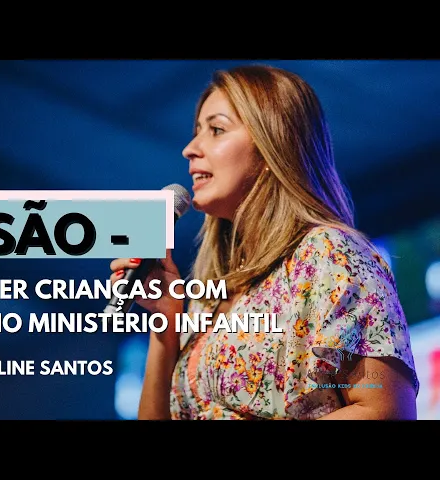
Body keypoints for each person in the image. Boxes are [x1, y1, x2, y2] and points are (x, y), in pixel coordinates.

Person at [109, 64, 419, 420]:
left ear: (271, 144)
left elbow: (386, 410)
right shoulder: (206, 300)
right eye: (196, 132)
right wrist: (165, 325)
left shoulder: (329, 254)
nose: (189, 149)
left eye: (216, 129)